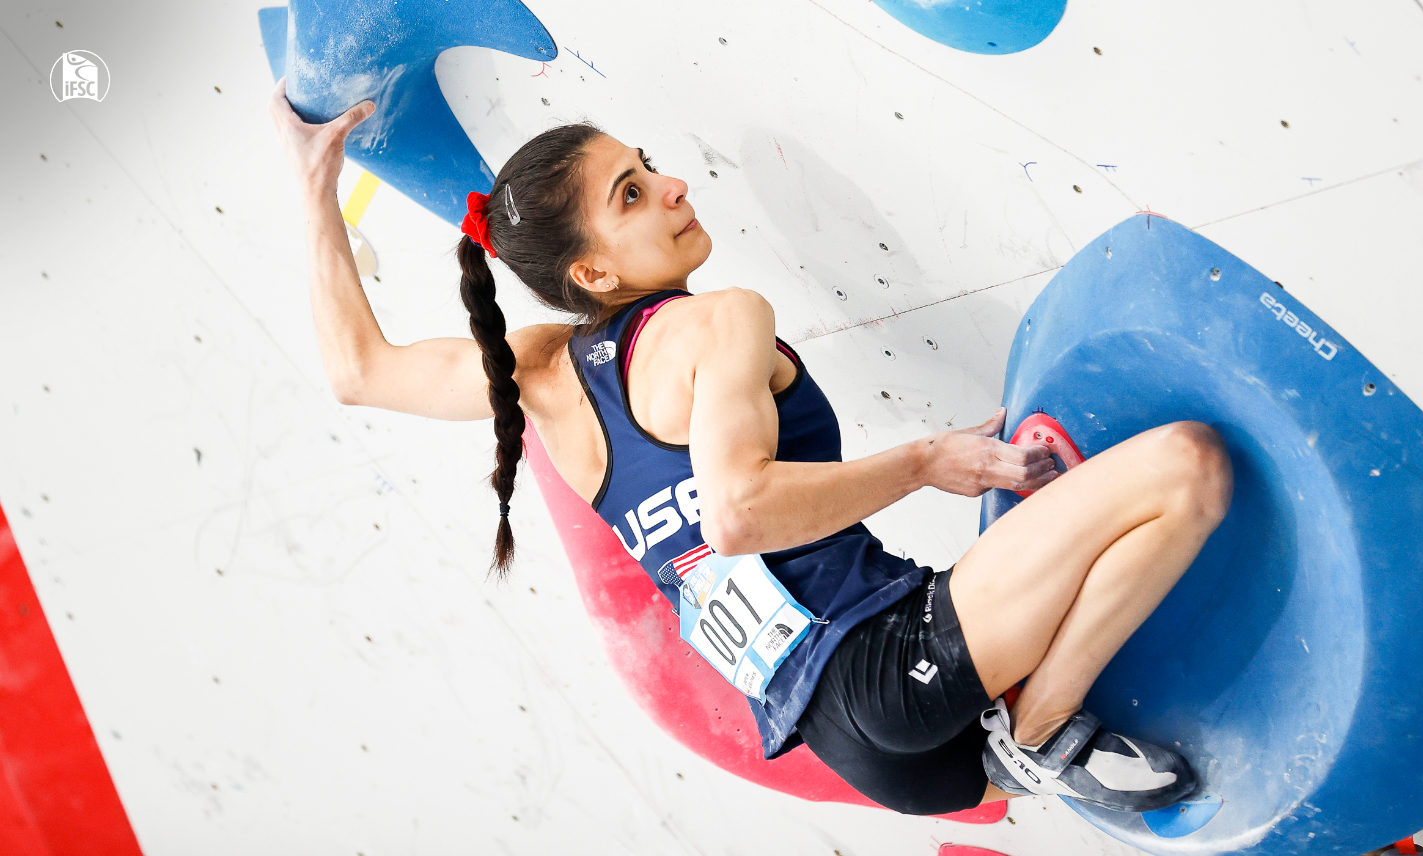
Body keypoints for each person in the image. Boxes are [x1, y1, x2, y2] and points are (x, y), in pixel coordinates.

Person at [268, 80, 1233, 816]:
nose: (676, 186)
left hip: (858, 747)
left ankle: (1022, 742)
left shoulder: (541, 375)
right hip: (888, 666)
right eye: (634, 193)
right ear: (595, 267)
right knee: (1187, 465)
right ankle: (1039, 735)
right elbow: (738, 514)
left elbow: (359, 370)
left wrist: (313, 187)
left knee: (1128, 510)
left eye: (649, 166)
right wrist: (921, 462)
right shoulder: (721, 322)